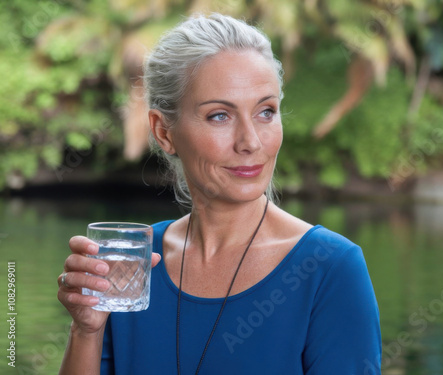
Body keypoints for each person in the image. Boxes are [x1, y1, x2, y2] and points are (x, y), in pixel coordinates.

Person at [57, 13, 381, 375]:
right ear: (163, 132)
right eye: (219, 116)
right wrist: (86, 331)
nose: (250, 142)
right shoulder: (133, 269)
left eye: (266, 112)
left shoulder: (330, 269)